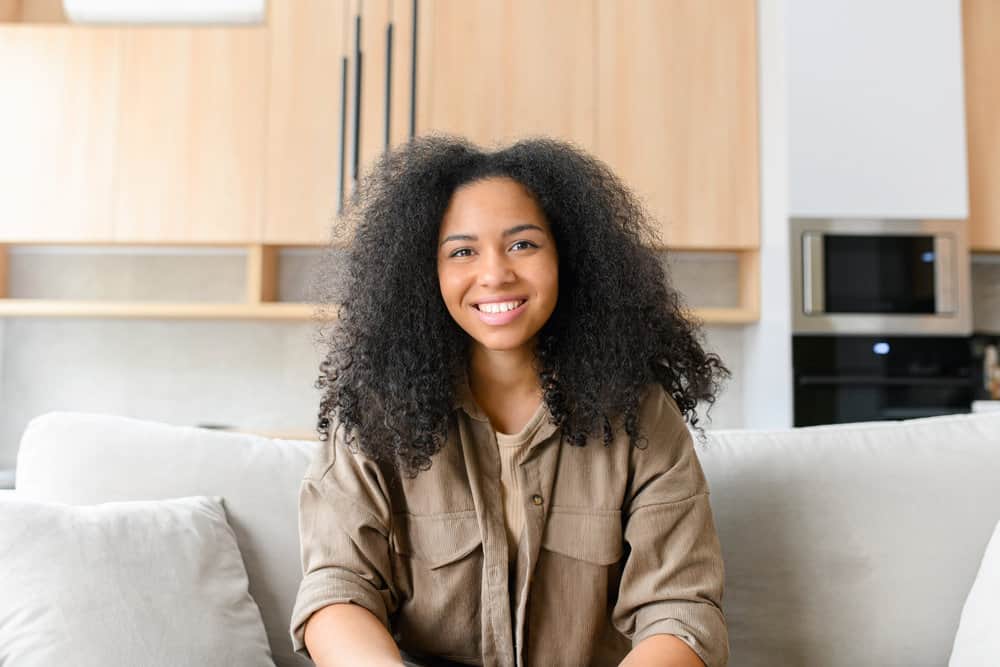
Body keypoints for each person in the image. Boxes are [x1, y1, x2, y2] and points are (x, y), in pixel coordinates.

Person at [290, 135, 731, 667]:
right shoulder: (373, 415)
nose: (495, 273)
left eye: (523, 244)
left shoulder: (640, 414)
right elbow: (338, 589)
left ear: (569, 257)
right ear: (422, 272)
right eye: (462, 251)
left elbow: (680, 611)